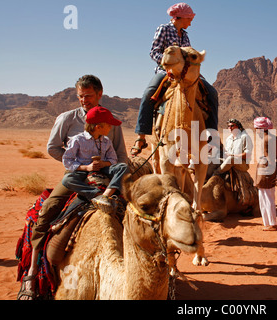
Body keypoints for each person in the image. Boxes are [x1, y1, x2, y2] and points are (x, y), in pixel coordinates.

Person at [17, 75, 128, 300]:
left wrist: (108, 166)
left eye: (88, 96)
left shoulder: (109, 122)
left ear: (99, 94)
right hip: (76, 176)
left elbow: (120, 154)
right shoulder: (67, 119)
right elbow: (53, 148)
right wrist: (82, 166)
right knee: (47, 211)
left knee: (139, 214)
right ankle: (32, 272)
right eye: (80, 96)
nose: (83, 100)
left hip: (105, 176)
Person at [132, 2, 218, 156]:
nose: (191, 22)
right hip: (166, 71)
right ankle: (141, 135)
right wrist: (168, 63)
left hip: (185, 72)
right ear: (182, 17)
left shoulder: (185, 35)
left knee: (211, 92)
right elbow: (154, 52)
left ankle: (211, 136)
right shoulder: (163, 29)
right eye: (189, 19)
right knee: (148, 93)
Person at [61, 106, 129, 213]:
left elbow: (113, 159)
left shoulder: (106, 141)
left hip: (103, 169)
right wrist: (87, 167)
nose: (111, 127)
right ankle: (95, 194)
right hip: (83, 171)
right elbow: (67, 160)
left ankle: (106, 195)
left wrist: (103, 164)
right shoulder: (78, 140)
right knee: (67, 180)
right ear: (98, 127)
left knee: (123, 167)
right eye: (108, 125)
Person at [253, 117, 277, 231]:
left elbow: (269, 159)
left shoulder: (265, 140)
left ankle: (272, 224)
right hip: (269, 172)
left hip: (264, 172)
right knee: (266, 197)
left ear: (261, 129)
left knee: (266, 198)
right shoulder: (275, 138)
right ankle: (268, 223)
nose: (256, 130)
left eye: (256, 128)